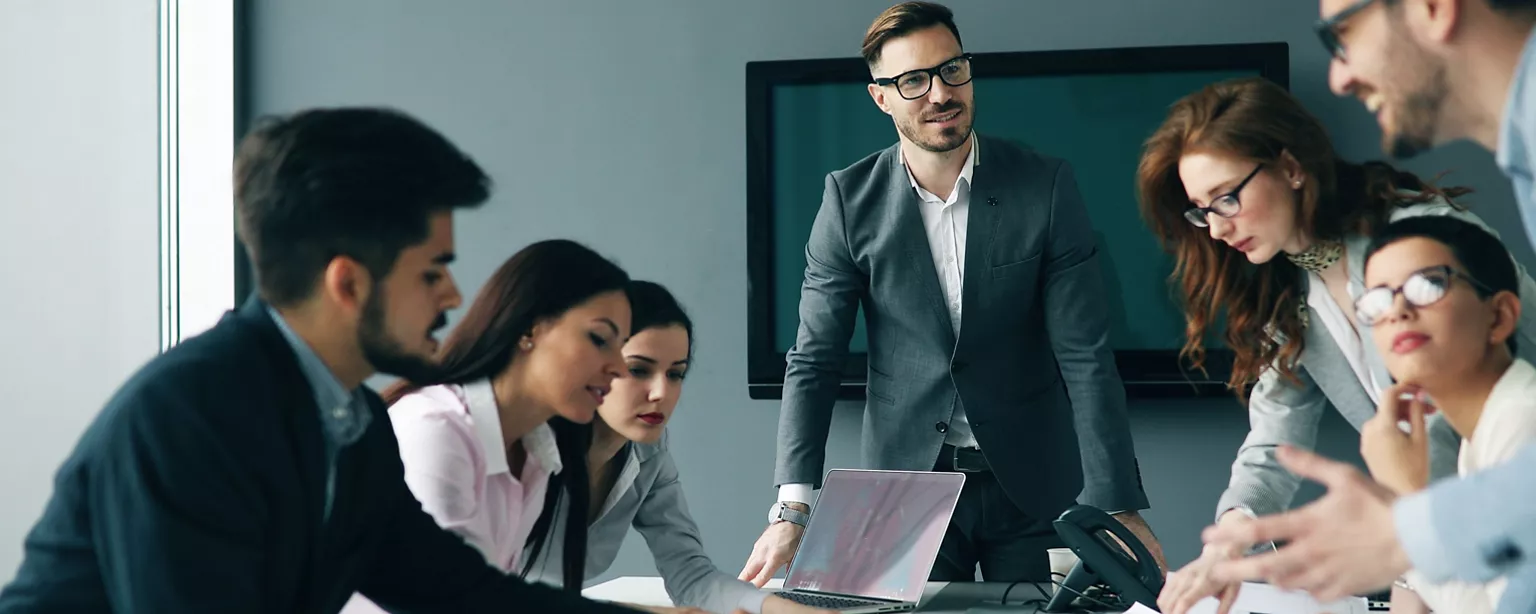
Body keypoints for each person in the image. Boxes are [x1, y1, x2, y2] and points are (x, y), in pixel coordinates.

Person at [0, 108, 638, 613]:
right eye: (432, 271)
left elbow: (455, 592)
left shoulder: (353, 420)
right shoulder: (186, 415)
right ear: (349, 284)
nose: (453, 296)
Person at [740, 0, 1161, 588]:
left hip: (1033, 484)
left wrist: (1117, 505)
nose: (939, 93)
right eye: (913, 80)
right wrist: (793, 507)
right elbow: (813, 360)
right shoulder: (847, 201)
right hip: (905, 487)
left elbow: (1085, 356)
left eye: (951, 70)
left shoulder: (1044, 186)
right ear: (881, 97)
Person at [1136, 76, 1536, 614]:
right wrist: (1229, 544)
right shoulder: (1290, 289)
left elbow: (1447, 415)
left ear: (1292, 168)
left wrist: (1410, 574)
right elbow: (1272, 443)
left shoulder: (1419, 249)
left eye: (1227, 198)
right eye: (1202, 210)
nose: (1216, 229)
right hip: (1443, 533)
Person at [337, 239, 658, 612]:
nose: (618, 367)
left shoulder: (537, 450)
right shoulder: (435, 430)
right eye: (600, 339)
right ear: (531, 329)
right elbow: (455, 602)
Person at [521, 281, 830, 614]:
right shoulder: (525, 445)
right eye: (639, 369)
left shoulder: (648, 453)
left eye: (675, 374)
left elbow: (691, 576)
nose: (660, 392)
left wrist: (786, 611)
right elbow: (480, 588)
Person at [1355, 216, 1536, 614]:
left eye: (1429, 285)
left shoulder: (1524, 424)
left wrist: (1403, 498)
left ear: (1500, 315)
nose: (1398, 310)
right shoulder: (1486, 430)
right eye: (1378, 300)